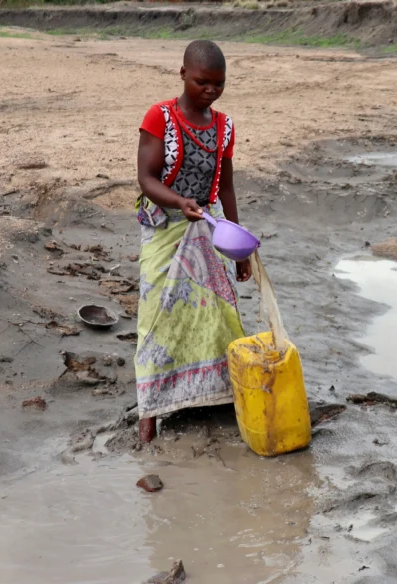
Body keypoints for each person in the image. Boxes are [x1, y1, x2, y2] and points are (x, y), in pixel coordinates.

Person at [134, 39, 251, 443]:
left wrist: (239, 249)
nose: (211, 91)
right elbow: (146, 178)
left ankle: (216, 393)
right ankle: (150, 412)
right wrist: (178, 202)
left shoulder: (224, 127)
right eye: (203, 82)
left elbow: (227, 188)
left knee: (217, 310)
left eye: (219, 84)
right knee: (157, 312)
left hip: (207, 224)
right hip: (166, 224)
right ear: (183, 74)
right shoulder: (160, 117)